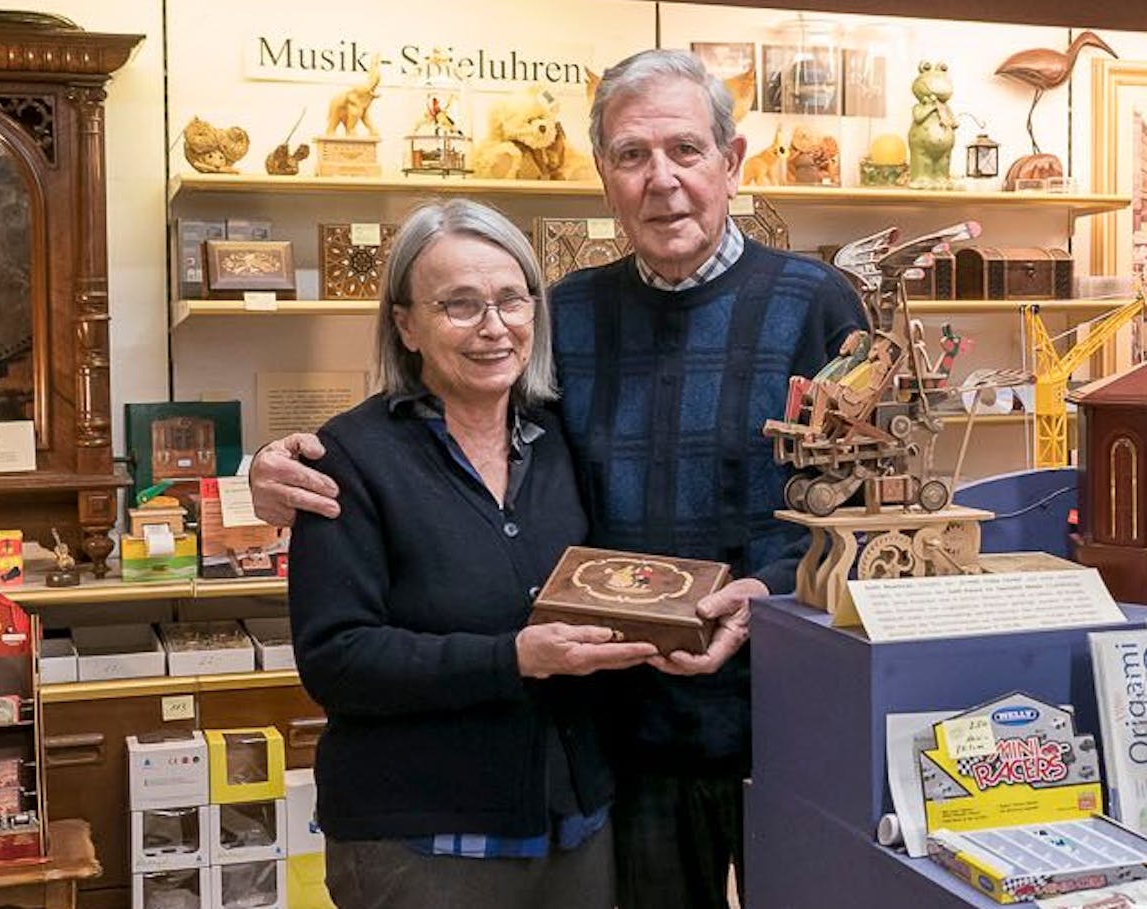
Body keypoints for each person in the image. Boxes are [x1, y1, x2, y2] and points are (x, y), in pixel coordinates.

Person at [255, 49, 866, 909]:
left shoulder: (820, 302)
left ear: (731, 163)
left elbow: (868, 497)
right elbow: (444, 417)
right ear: (603, 176)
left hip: (789, 715)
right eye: (631, 155)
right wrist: (278, 466)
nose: (663, 181)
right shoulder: (564, 314)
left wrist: (771, 591)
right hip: (623, 738)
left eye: (685, 150)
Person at [290, 198, 658, 909]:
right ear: (406, 325)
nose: (493, 327)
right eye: (459, 305)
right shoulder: (348, 459)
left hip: (573, 831)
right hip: (422, 848)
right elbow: (336, 660)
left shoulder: (560, 442)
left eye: (511, 300)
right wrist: (514, 657)